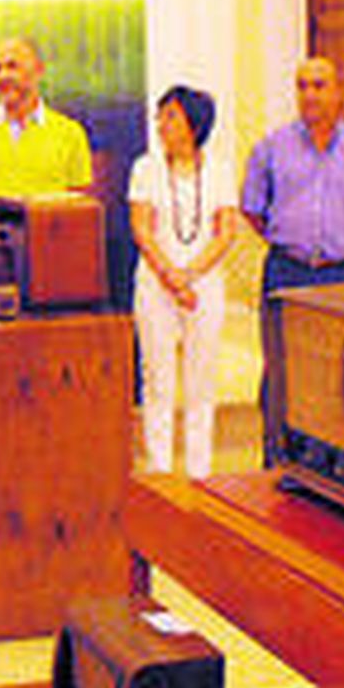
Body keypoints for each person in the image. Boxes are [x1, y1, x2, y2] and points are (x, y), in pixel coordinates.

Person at [129, 86, 239, 479]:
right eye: (160, 116)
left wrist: (189, 275)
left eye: (170, 116)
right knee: (157, 379)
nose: (161, 124)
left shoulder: (220, 170)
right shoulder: (145, 168)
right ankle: (159, 469)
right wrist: (172, 278)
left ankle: (200, 472)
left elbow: (226, 232)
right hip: (155, 284)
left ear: (194, 124)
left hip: (203, 286)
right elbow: (142, 229)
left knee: (200, 381)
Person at [241, 57, 344, 295]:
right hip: (287, 272)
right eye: (302, 86)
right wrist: (290, 239)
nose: (310, 95)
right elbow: (252, 210)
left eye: (319, 85)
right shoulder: (270, 148)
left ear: (338, 92)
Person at [0, 36, 93, 210]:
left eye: (12, 66)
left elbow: (79, 205)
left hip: (47, 227)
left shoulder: (70, 133)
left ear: (38, 70)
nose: (3, 76)